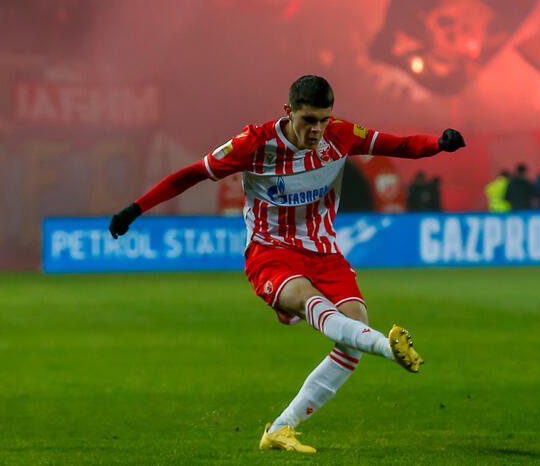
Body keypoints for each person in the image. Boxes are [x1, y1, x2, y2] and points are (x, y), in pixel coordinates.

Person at [107, 75, 466, 453]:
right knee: (314, 303)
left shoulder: (340, 135)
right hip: (271, 250)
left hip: (325, 253)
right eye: (309, 120)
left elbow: (399, 145)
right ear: (288, 112)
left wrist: (436, 143)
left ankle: (281, 428)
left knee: (352, 332)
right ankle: (383, 344)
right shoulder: (254, 144)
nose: (317, 130)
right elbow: (193, 174)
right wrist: (136, 208)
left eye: (323, 120)